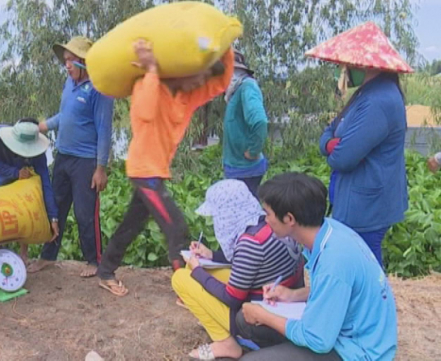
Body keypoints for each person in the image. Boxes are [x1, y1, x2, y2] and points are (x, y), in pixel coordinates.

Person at [96, 39, 234, 297]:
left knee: (131, 224)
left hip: (155, 171)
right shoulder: (147, 86)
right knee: (177, 228)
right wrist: (151, 71)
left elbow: (219, 83)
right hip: (144, 172)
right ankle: (187, 290)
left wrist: (226, 46)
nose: (198, 83)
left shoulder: (185, 96)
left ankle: (105, 270)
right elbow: (145, 113)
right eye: (196, 77)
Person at [237, 172, 397, 361]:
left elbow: (318, 340)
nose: (266, 220)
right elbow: (337, 291)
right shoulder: (330, 230)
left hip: (358, 350)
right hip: (344, 331)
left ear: (289, 219)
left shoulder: (334, 260)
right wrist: (292, 295)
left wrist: (264, 316)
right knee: (244, 321)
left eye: (268, 214)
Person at [312, 21, 410, 267]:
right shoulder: (367, 93)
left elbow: (342, 159)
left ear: (363, 63)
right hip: (358, 201)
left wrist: (337, 146)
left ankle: (374, 306)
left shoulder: (379, 100)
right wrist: (333, 143)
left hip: (368, 206)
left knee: (363, 268)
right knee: (358, 266)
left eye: (346, 63)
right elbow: (328, 133)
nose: (342, 69)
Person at [172, 179, 303, 360]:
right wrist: (211, 255)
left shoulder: (250, 243)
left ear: (226, 213)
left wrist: (197, 271)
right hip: (278, 298)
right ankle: (217, 324)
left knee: (181, 277)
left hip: (255, 314)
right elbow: (247, 264)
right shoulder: (267, 225)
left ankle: (226, 343)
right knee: (197, 270)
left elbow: (232, 299)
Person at [28, 36, 114, 278]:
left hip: (86, 161)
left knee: (85, 214)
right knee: (55, 208)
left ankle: (94, 261)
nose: (66, 65)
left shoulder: (100, 90)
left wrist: (100, 168)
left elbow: (104, 130)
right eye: (65, 61)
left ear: (85, 61)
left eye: (71, 60)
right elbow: (64, 117)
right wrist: (41, 126)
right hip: (63, 157)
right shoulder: (70, 84)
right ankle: (48, 256)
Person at [0, 119, 59, 260]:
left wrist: (53, 216)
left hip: (18, 184)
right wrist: (15, 172)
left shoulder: (38, 151)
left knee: (25, 216)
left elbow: (45, 181)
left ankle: (23, 256)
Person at [221, 49, 268, 198]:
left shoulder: (247, 87)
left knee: (245, 217)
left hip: (246, 170)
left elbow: (260, 121)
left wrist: (253, 151)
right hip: (236, 167)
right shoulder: (235, 90)